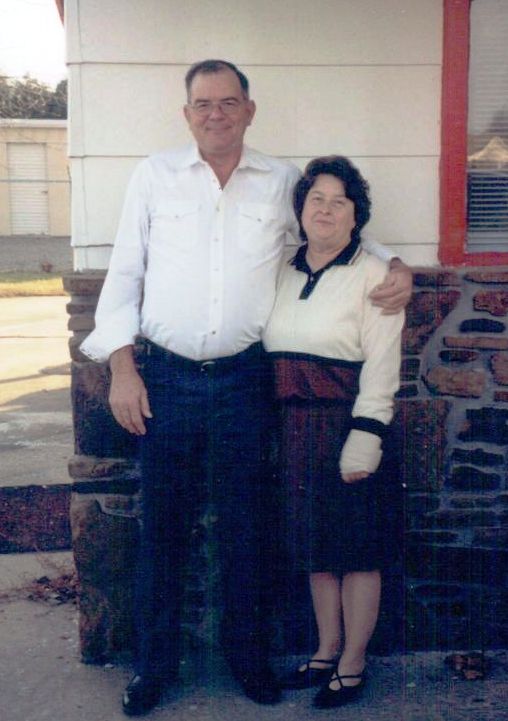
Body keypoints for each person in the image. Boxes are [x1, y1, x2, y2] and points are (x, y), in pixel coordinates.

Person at [80, 60, 411, 716]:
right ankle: (154, 667)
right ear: (187, 114)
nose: (216, 114)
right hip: (166, 378)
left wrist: (395, 263)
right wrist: (122, 367)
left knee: (247, 528)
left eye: (229, 102)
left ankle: (247, 659)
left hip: (244, 381)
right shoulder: (153, 176)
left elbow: (333, 228)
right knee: (163, 528)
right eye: (203, 104)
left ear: (249, 111)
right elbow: (125, 275)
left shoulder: (281, 181)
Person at [263, 155, 405, 709]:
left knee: (356, 551)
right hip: (292, 429)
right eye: (315, 199)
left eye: (338, 201)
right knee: (315, 549)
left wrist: (365, 438)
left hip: (347, 426)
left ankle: (353, 663)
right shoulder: (280, 265)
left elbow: (383, 364)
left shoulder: (376, 276)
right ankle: (325, 651)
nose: (325, 210)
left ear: (355, 214)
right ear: (300, 208)